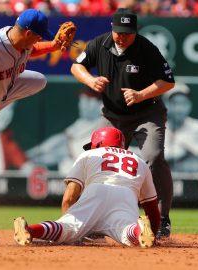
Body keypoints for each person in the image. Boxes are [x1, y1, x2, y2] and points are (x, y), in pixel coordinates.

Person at [0, 8, 71, 244]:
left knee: (39, 80)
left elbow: (31, 50)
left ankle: (1, 97)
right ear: (28, 32)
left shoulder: (21, 41)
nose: (40, 39)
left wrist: (53, 45)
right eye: (39, 35)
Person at [70, 8, 175, 239]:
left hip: (147, 113)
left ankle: (162, 219)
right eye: (118, 31)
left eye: (127, 33)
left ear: (135, 32)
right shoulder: (100, 44)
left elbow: (167, 82)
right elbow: (76, 66)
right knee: (100, 161)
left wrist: (140, 94)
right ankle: (96, 220)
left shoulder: (146, 48)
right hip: (112, 115)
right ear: (112, 27)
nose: (122, 37)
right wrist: (90, 80)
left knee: (154, 157)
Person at [14, 127, 160, 248]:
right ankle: (139, 229)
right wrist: (153, 233)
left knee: (66, 228)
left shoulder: (89, 154)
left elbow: (70, 196)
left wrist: (69, 220)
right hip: (126, 195)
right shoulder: (139, 160)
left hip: (97, 190)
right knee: (127, 233)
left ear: (98, 143)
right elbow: (151, 207)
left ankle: (30, 230)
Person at [26, 87, 103, 175]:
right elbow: (58, 141)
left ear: (101, 104)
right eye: (82, 99)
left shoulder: (104, 126)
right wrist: (29, 155)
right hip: (67, 176)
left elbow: (63, 150)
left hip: (88, 176)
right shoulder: (81, 123)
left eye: (89, 100)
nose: (84, 104)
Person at [162, 83, 198, 173]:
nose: (179, 108)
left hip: (192, 180)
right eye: (175, 103)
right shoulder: (157, 128)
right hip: (167, 180)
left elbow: (179, 153)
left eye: (184, 103)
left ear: (190, 106)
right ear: (166, 105)